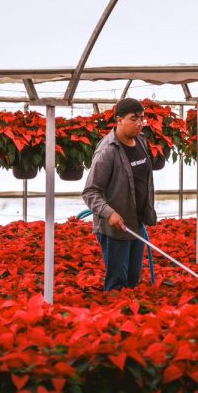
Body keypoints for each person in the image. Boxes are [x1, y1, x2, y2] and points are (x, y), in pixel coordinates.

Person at [82, 98, 156, 291]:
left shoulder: (141, 141)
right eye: (134, 118)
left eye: (142, 118)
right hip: (115, 229)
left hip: (136, 225)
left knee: (132, 280)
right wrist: (110, 213)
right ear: (119, 120)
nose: (139, 123)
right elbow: (90, 192)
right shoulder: (108, 151)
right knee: (117, 283)